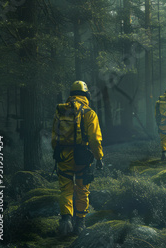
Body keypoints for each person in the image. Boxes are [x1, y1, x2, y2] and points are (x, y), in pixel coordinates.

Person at [51, 81, 104, 236]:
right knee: (82, 190)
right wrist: (99, 157)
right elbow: (95, 140)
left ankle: (66, 220)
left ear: (71, 94)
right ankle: (80, 224)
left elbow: (54, 138)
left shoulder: (61, 111)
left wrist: (59, 152)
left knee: (66, 190)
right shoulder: (89, 113)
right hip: (82, 158)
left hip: (63, 156)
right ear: (86, 94)